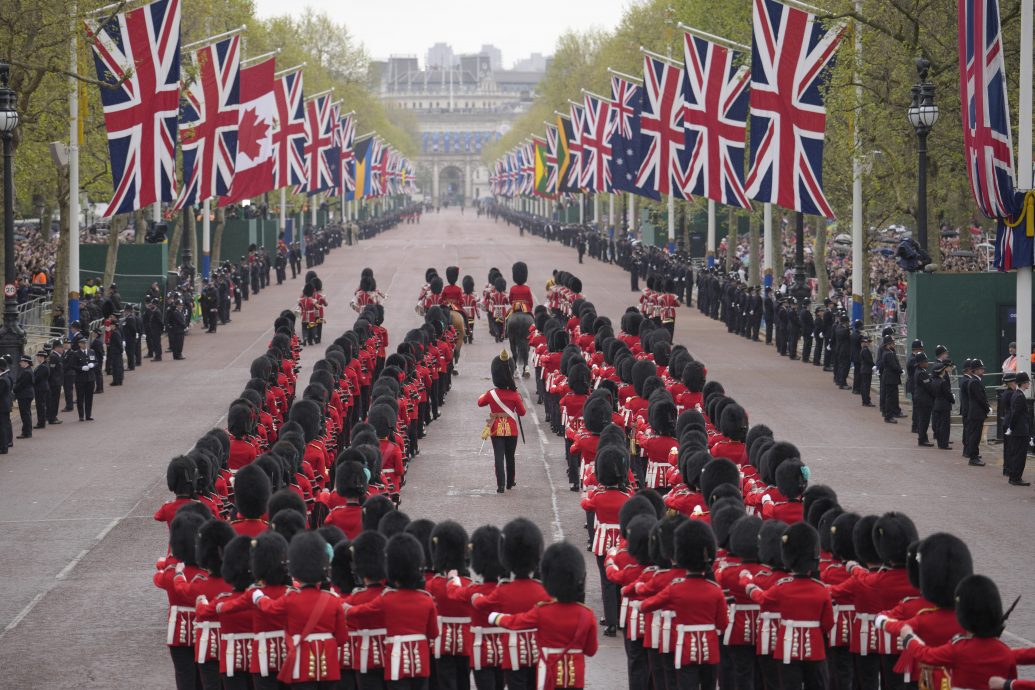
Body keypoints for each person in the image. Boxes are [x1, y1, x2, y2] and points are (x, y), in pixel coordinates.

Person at [488, 541, 599, 690]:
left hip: (549, 675)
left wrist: (496, 617)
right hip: (575, 677)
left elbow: (517, 622)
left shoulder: (543, 611)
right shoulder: (587, 614)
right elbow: (591, 650)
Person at [477, 351, 526, 494]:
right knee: (510, 456)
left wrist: (484, 394)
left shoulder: (491, 394)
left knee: (498, 455)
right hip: (511, 428)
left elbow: (480, 402)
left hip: (496, 428)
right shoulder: (514, 395)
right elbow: (522, 413)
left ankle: (500, 485)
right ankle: (510, 482)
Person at [1002, 372, 1031, 486]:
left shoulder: (1016, 394)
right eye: (1027, 382)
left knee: (1016, 453)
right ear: (1023, 383)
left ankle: (1014, 476)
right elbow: (1016, 414)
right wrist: (1012, 427)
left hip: (1018, 429)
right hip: (1020, 430)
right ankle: (1016, 477)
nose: (1028, 383)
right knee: (1020, 455)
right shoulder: (1019, 396)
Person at [963, 359, 989, 466]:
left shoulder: (975, 381)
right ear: (975, 370)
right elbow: (980, 398)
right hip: (976, 413)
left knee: (976, 435)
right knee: (975, 435)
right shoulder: (974, 382)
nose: (983, 371)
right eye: (980, 369)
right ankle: (973, 457)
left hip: (977, 413)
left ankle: (975, 454)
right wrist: (987, 408)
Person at [69, 334, 97, 421]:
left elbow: (96, 362)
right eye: (83, 343)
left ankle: (88, 415)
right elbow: (73, 365)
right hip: (80, 379)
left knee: (89, 398)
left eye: (85, 343)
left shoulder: (91, 352)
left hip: (90, 378)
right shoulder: (76, 354)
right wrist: (81, 368)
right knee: (80, 398)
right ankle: (81, 415)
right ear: (79, 344)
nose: (85, 344)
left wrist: (93, 364)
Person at [930, 361, 955, 450]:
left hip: (936, 403)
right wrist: (952, 399)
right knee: (945, 425)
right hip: (944, 405)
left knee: (939, 424)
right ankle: (944, 444)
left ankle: (940, 442)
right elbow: (947, 394)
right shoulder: (943, 382)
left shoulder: (933, 381)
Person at [880, 336, 904, 423]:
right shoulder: (888, 353)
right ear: (887, 345)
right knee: (890, 398)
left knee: (891, 397)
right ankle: (888, 416)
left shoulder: (889, 352)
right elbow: (894, 366)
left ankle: (890, 414)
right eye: (891, 343)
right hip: (890, 378)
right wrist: (901, 371)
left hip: (890, 378)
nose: (893, 345)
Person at [912, 353, 933, 447]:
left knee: (923, 419)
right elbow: (929, 386)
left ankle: (923, 438)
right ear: (920, 363)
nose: (927, 363)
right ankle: (922, 439)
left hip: (920, 398)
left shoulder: (920, 371)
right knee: (924, 420)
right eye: (925, 361)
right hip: (923, 399)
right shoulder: (922, 373)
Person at [13, 355, 34, 439]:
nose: (20, 363)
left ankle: (26, 432)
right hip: (26, 395)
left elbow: (21, 384)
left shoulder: (27, 372)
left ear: (26, 362)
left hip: (25, 395)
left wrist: (14, 390)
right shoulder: (27, 371)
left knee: (25, 414)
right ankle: (27, 430)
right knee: (26, 413)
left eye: (21, 361)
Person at [32, 350, 49, 430]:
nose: (37, 358)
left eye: (38, 357)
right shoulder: (43, 365)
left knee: (40, 406)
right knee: (40, 405)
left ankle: (41, 422)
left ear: (41, 357)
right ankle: (41, 422)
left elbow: (37, 378)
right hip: (41, 387)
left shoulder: (43, 367)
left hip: (40, 388)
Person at [859, 335, 875, 407]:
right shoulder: (865, 350)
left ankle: (865, 400)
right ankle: (866, 401)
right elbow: (868, 360)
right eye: (868, 342)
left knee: (865, 386)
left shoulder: (865, 349)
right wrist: (874, 365)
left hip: (865, 370)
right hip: (866, 370)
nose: (869, 343)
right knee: (866, 386)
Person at [0, 358, 11, 453]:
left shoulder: (2, 379)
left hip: (2, 407)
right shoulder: (4, 378)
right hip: (4, 406)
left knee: (2, 427)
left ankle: (3, 447)